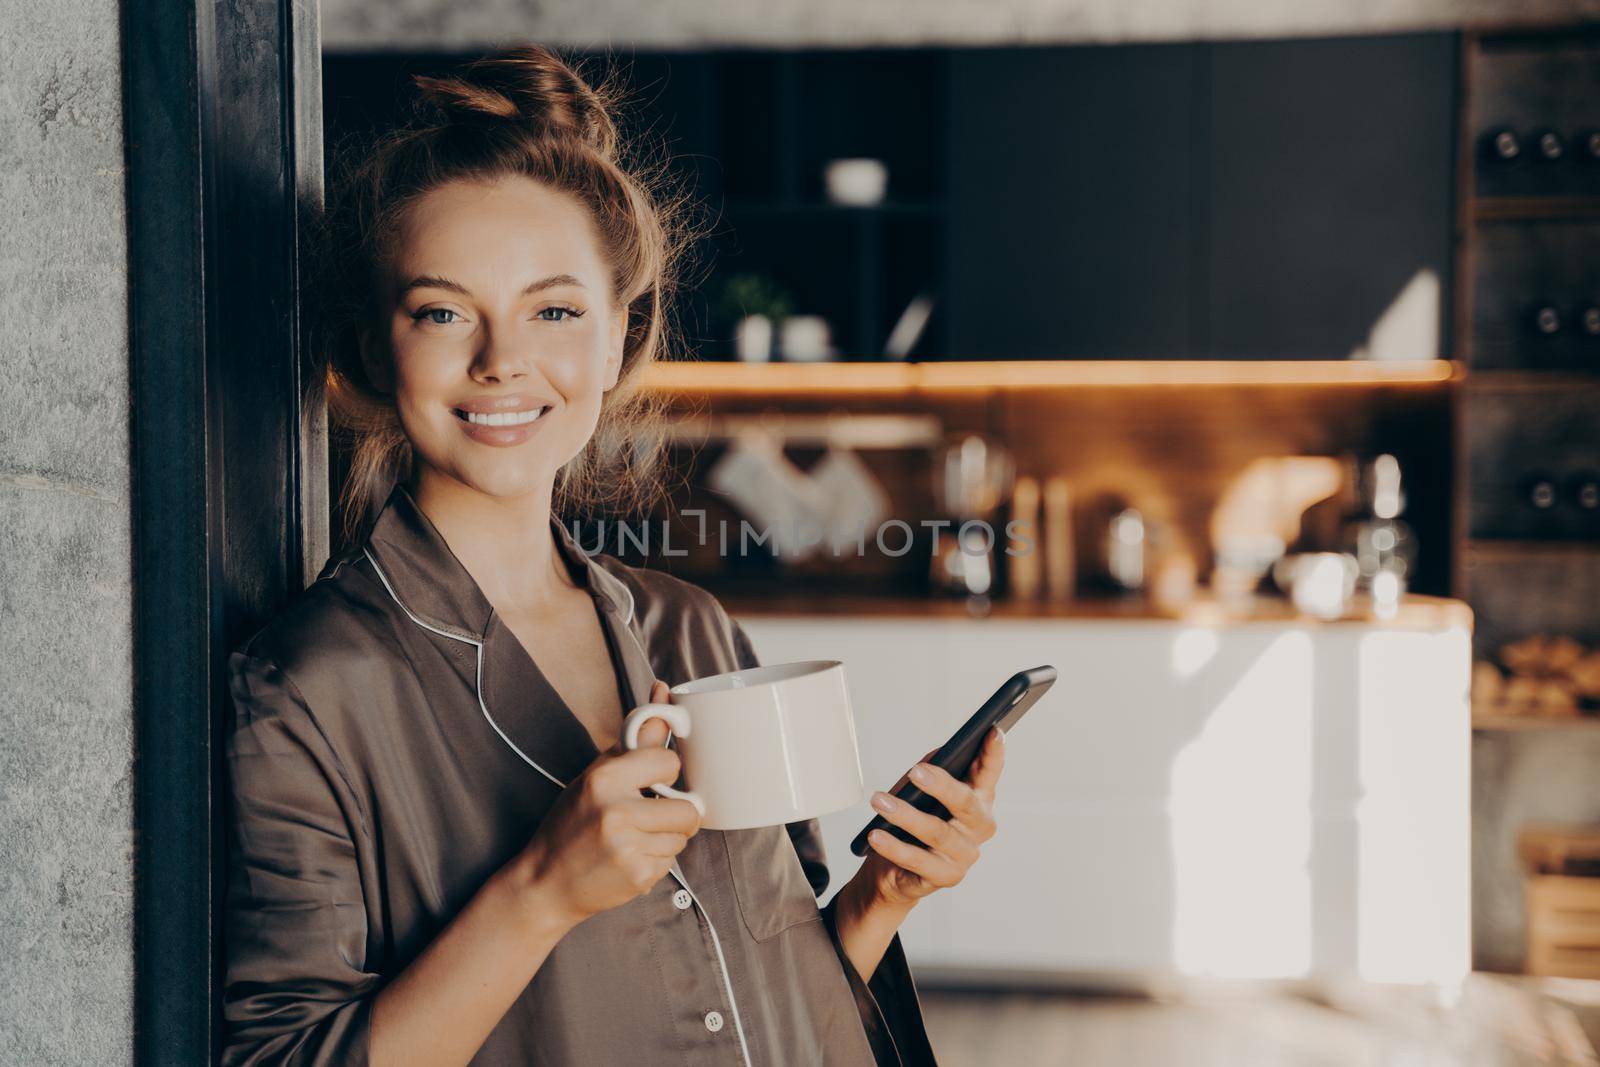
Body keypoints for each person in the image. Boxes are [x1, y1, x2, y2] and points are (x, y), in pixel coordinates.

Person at [221, 44, 1007, 1067]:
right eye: (442, 311)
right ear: (376, 348)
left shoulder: (693, 629)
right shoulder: (305, 692)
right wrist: (540, 891)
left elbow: (773, 986)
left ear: (614, 341)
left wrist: (882, 893)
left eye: (553, 310)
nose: (503, 359)